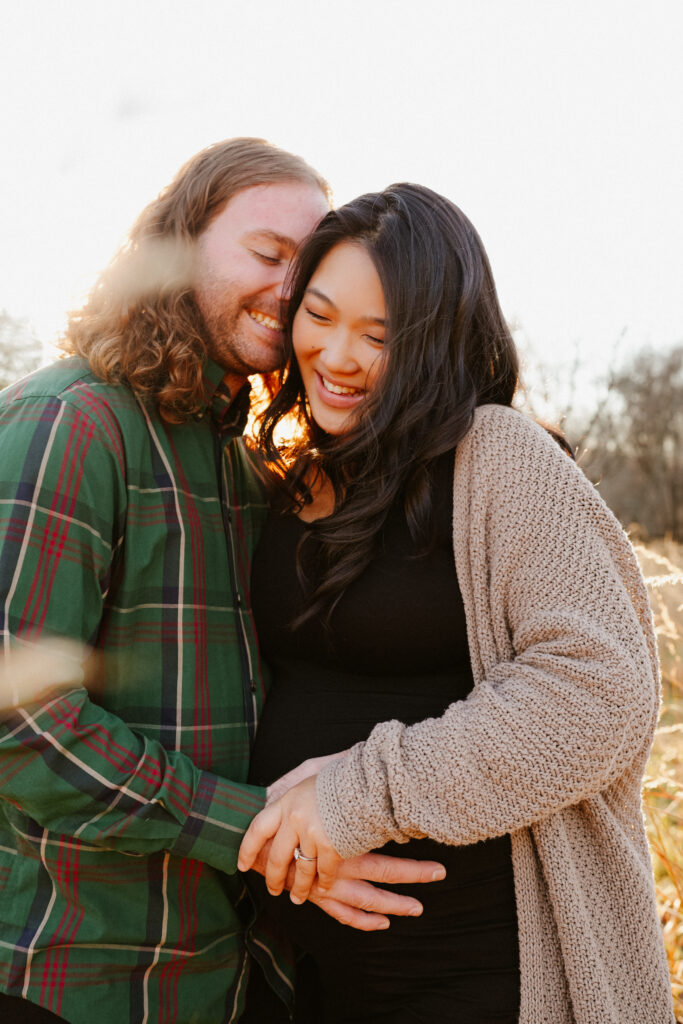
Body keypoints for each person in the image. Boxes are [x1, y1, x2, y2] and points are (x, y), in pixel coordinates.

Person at [0, 141, 446, 1024]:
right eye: (267, 255)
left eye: (306, 266)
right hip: (81, 980)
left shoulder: (243, 463)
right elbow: (23, 725)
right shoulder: (69, 423)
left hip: (234, 977)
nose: (290, 291)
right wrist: (245, 825)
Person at [237, 183, 675, 1023]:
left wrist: (353, 798)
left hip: (476, 972)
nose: (336, 356)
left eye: (381, 335)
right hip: (305, 972)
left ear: (438, 343)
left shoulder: (497, 456)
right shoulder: (287, 479)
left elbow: (598, 694)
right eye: (319, 316)